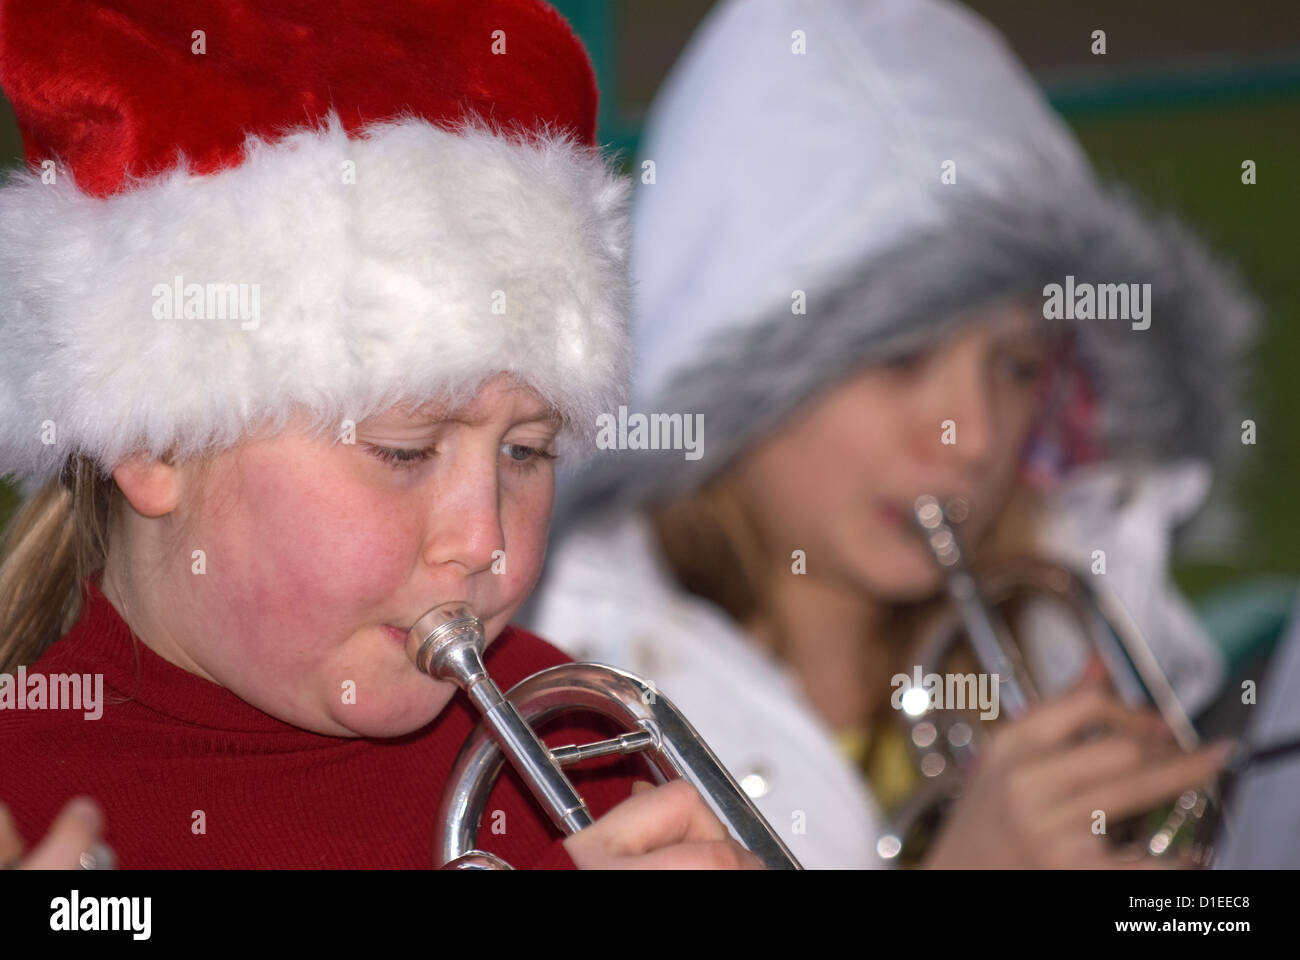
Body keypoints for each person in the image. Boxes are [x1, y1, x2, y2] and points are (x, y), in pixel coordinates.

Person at [0, 0, 762, 870]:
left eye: (528, 451)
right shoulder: (27, 807)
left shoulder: (587, 743)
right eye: (404, 450)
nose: (485, 545)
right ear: (156, 439)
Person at [524, 0, 1258, 868]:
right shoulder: (584, 710)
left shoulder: (1072, 623)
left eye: (1019, 365)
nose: (975, 437)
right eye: (901, 361)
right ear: (730, 384)